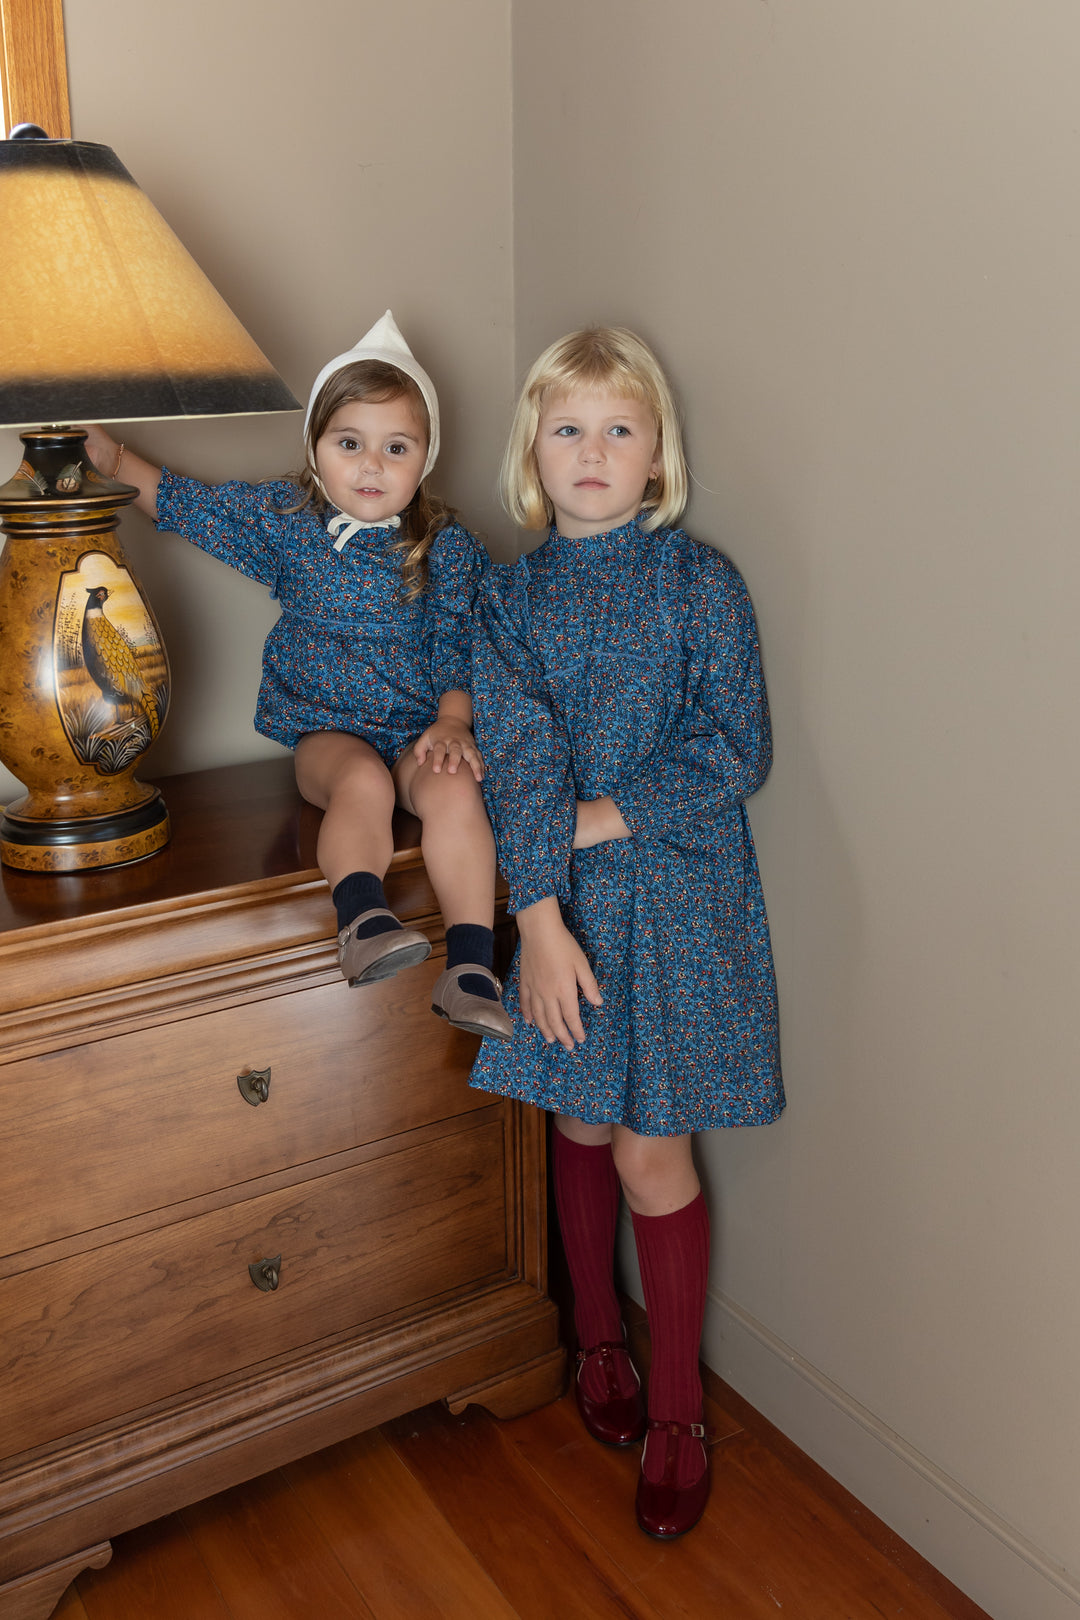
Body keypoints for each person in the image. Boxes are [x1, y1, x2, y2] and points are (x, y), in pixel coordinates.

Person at [470, 326, 784, 1536]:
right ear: (532, 454)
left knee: (657, 1151)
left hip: (685, 904)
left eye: (618, 430)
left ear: (657, 458)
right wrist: (538, 922)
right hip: (565, 910)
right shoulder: (509, 594)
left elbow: (731, 746)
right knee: (582, 1117)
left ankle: (674, 1409)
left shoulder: (703, 583)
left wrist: (594, 820)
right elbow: (518, 753)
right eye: (567, 429)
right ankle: (595, 1346)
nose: (592, 451)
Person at [82, 312, 511, 1041]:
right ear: (315, 449)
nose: (372, 466)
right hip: (328, 734)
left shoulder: (447, 549)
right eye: (350, 444)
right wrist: (116, 459)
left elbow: (464, 645)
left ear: (424, 458)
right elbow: (190, 508)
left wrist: (453, 723)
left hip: (418, 731)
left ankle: (471, 964)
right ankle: (363, 920)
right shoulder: (288, 522)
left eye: (395, 448)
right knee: (362, 783)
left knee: (455, 784)